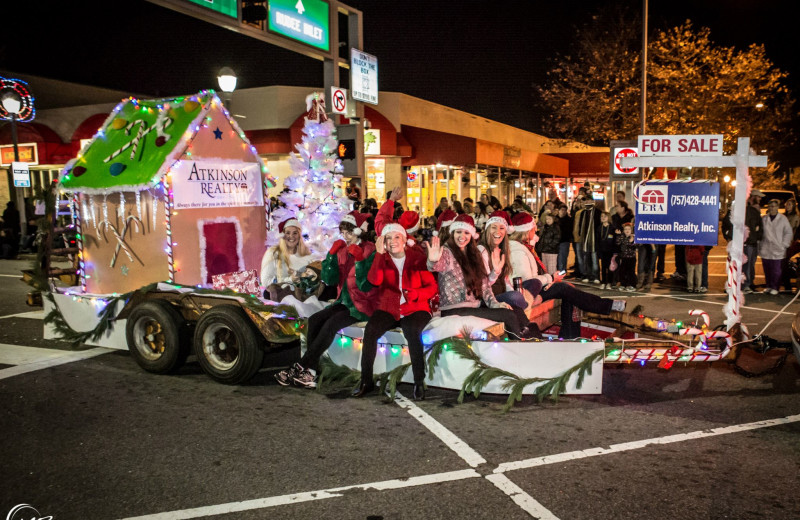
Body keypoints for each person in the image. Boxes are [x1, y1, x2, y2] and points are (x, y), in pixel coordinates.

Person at [274, 211, 376, 388]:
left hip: (363, 305)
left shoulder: (370, 250)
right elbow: (329, 279)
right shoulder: (343, 250)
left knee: (331, 325)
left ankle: (300, 367)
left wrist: (359, 260)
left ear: (359, 231)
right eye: (343, 232)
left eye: (349, 232)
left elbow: (367, 285)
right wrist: (330, 256)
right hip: (343, 302)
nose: (345, 237)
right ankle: (310, 372)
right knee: (314, 320)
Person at [353, 218, 438, 400]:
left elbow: (432, 288)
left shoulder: (417, 259)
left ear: (404, 239)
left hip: (415, 307)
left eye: (397, 237)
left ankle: (418, 382)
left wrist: (415, 294)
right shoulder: (381, 258)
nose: (392, 242)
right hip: (389, 308)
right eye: (388, 238)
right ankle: (366, 381)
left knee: (412, 330)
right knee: (371, 330)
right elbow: (374, 281)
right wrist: (377, 254)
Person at [426, 214, 530, 339]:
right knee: (508, 315)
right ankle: (519, 346)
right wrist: (433, 261)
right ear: (452, 233)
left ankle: (530, 336)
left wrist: (494, 304)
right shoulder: (447, 252)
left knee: (515, 309)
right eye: (458, 232)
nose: (462, 236)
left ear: (471, 235)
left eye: (466, 233)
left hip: (474, 305)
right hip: (454, 309)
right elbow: (438, 265)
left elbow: (485, 286)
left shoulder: (474, 254)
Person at [259, 217, 322, 310]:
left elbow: (315, 278)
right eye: (287, 233)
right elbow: (265, 281)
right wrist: (290, 279)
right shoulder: (273, 253)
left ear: (299, 235)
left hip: (304, 295)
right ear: (282, 235)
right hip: (282, 297)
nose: (291, 236)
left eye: (295, 233)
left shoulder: (308, 256)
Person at [759, 199, 793, 295]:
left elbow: (788, 232)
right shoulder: (764, 219)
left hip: (778, 248)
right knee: (767, 269)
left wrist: (784, 244)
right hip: (766, 248)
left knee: (776, 270)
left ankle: (775, 286)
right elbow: (761, 233)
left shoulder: (783, 219)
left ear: (778, 207)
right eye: (770, 206)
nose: (772, 208)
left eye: (774, 206)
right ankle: (769, 286)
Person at [576, 199, 600, 283]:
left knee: (594, 258)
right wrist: (580, 234)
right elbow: (580, 225)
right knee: (586, 258)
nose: (587, 203)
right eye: (586, 201)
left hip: (594, 239)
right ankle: (587, 275)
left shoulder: (597, 212)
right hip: (584, 238)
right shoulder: (583, 212)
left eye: (589, 201)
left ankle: (596, 276)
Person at [596, 211, 617, 290]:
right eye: (602, 216)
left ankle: (609, 283)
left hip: (610, 251)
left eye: (605, 216)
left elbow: (615, 241)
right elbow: (597, 240)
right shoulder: (599, 228)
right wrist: (598, 251)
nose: (603, 218)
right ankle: (603, 282)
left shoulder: (612, 228)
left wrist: (615, 252)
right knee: (603, 267)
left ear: (608, 218)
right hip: (602, 251)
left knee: (610, 267)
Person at [616, 223, 637, 291]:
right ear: (623, 230)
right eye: (625, 229)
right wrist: (618, 235)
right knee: (622, 271)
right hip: (624, 257)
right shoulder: (622, 236)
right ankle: (623, 284)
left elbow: (635, 246)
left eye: (629, 229)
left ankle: (632, 285)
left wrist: (632, 240)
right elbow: (618, 243)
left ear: (631, 230)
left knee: (631, 272)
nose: (627, 230)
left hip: (632, 258)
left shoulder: (634, 237)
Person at [556, 204, 572, 274]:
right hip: (556, 241)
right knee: (557, 258)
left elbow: (569, 231)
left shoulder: (568, 220)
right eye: (562, 210)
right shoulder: (555, 219)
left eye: (565, 210)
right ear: (558, 211)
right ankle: (559, 271)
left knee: (563, 257)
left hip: (564, 241)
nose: (563, 212)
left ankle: (562, 272)